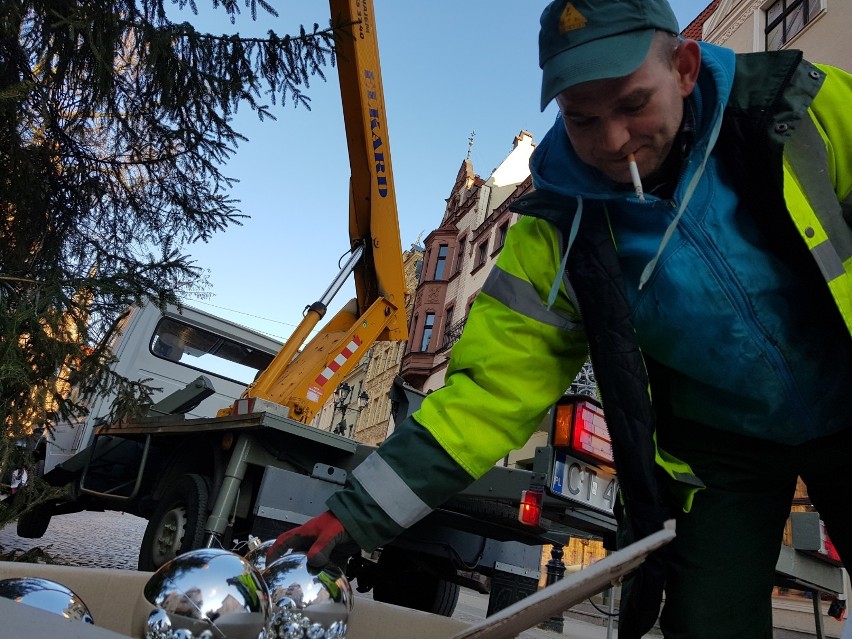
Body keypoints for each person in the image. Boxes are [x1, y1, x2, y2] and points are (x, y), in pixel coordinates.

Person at [269, 1, 852, 637]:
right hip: (717, 453)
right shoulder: (556, 229)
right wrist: (352, 516)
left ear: (684, 68)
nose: (612, 141)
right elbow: (490, 393)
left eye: (633, 104)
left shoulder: (800, 110)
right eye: (582, 118)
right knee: (705, 623)